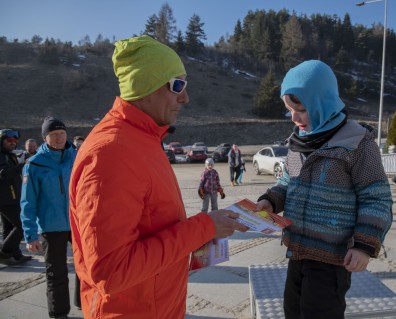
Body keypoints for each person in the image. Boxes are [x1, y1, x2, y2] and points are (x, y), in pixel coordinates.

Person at [69, 35, 248, 319]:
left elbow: (153, 225)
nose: (185, 97)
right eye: (177, 85)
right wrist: (202, 228)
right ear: (145, 85)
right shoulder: (112, 152)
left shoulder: (143, 139)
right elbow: (112, 272)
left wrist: (203, 231)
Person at [256, 60, 393, 319]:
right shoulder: (298, 143)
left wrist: (364, 245)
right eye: (289, 110)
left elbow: (376, 198)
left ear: (323, 103)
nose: (294, 118)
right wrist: (271, 201)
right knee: (293, 311)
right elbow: (287, 182)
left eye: (302, 109)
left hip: (333, 259)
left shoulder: (357, 144)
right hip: (298, 251)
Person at [20, 117, 77, 319]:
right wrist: (30, 235)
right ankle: (59, 313)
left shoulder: (77, 157)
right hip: (50, 227)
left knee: (86, 266)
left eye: (62, 133)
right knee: (56, 273)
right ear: (45, 138)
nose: (59, 138)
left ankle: (82, 301)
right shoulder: (35, 164)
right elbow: (28, 201)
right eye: (54, 134)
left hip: (78, 224)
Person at [0, 129, 32, 265]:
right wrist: (22, 166)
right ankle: (5, 253)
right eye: (9, 140)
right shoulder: (1, 155)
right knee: (22, 225)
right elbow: (4, 174)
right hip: (5, 199)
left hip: (11, 197)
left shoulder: (9, 155)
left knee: (8, 227)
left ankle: (15, 254)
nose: (12, 143)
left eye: (15, 141)